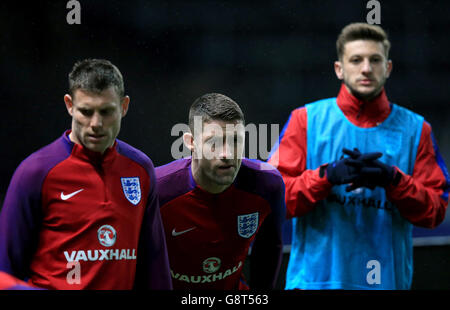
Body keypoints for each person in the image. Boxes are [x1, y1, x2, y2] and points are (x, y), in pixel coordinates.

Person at [268, 23, 449, 290]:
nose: (366, 68)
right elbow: (274, 200)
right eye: (356, 60)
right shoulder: (305, 120)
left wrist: (393, 180)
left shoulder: (416, 129)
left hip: (387, 284)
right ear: (339, 69)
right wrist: (325, 176)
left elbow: (435, 211)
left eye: (375, 60)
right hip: (314, 284)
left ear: (387, 68)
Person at [0, 59, 172, 290]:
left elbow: (155, 267)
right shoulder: (35, 172)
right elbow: (4, 271)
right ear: (70, 105)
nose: (96, 123)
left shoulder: (140, 169)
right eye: (86, 111)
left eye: (106, 111)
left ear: (124, 106)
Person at [156, 93, 286, 289]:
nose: (226, 153)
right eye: (213, 142)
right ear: (190, 142)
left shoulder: (267, 185)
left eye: (235, 140)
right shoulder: (157, 189)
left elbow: (269, 250)